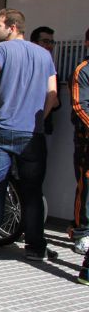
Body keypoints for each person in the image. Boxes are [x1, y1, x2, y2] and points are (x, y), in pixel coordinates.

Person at [0, 8, 58, 260]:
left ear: (12, 27)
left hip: (1, 129)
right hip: (32, 133)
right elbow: (52, 93)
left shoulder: (1, 50)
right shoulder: (44, 54)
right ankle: (34, 247)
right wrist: (41, 116)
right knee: (32, 191)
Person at [70, 28, 89, 257]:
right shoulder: (82, 70)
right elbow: (79, 106)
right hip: (86, 141)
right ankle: (82, 233)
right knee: (86, 189)